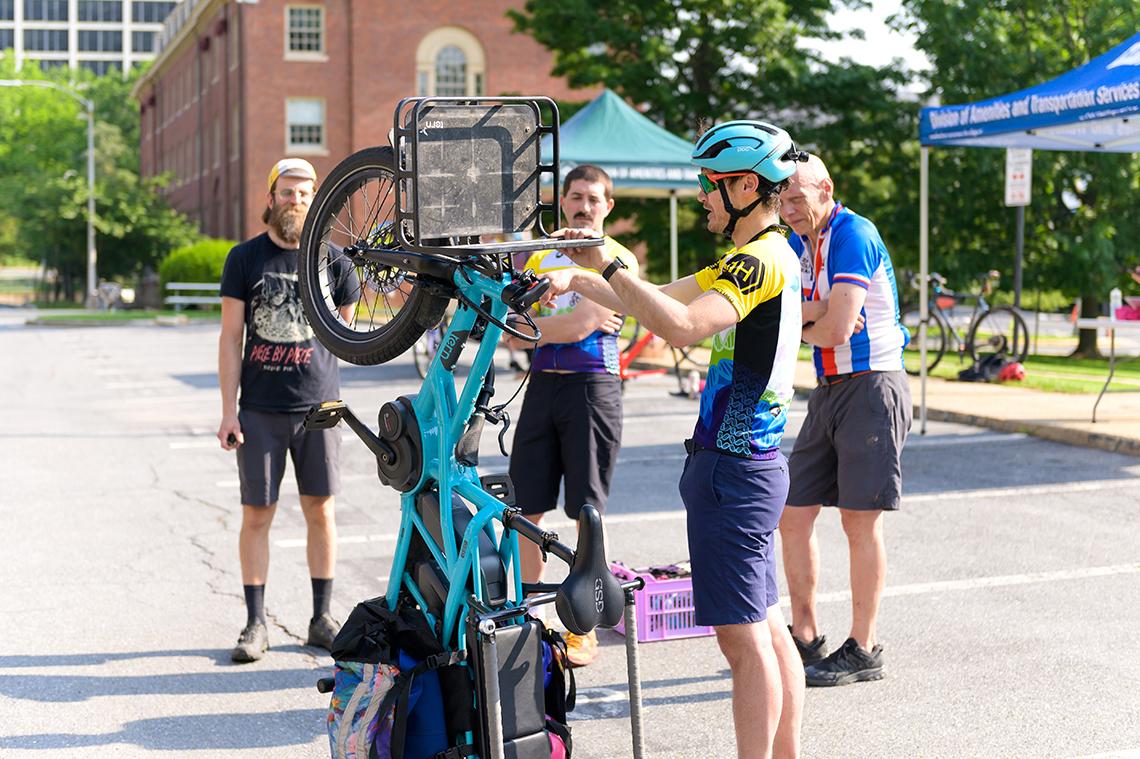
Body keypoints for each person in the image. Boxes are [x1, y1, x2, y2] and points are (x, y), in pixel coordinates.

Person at [542, 122, 807, 758]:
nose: (700, 197)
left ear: (746, 186)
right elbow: (654, 299)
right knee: (769, 631)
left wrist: (605, 260)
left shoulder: (757, 262)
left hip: (735, 472)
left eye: (709, 185)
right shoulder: (763, 254)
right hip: (750, 467)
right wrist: (579, 277)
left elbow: (683, 327)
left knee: (743, 646)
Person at [777, 154, 911, 686]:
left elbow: (832, 331)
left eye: (796, 197)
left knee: (859, 520)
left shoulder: (854, 232)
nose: (788, 209)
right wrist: (819, 313)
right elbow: (784, 314)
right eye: (780, 200)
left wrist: (808, 319)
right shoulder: (794, 245)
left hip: (873, 384)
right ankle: (807, 638)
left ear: (826, 188)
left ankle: (864, 645)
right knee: (793, 513)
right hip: (828, 389)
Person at [217, 158, 359, 663]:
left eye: (305, 193)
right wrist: (228, 411)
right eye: (287, 192)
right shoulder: (245, 258)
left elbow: (349, 334)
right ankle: (255, 623)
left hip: (319, 409)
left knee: (321, 512)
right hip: (258, 409)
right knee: (258, 515)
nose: (296, 201)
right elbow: (231, 338)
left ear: (316, 199)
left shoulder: (336, 260)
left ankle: (322, 618)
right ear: (271, 196)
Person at [507, 164, 636, 667]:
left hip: (593, 388)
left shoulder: (617, 260)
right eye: (576, 196)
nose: (584, 206)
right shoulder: (540, 256)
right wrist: (556, 325)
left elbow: (581, 326)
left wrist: (543, 325)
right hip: (542, 388)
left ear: (608, 207)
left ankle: (584, 627)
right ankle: (534, 615)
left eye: (594, 198)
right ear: (562, 201)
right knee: (522, 512)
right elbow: (515, 329)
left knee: (588, 514)